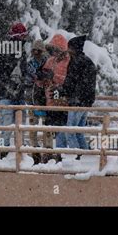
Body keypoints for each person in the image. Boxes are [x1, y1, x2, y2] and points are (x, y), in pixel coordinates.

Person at [0, 22, 28, 160]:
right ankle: (3, 152)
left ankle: (21, 152)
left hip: (19, 94)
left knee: (21, 124)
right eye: (22, 37)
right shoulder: (2, 51)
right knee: (6, 124)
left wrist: (24, 81)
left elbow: (24, 72)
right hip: (5, 94)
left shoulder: (23, 53)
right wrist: (10, 84)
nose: (24, 40)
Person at [59, 35, 97, 159]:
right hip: (87, 101)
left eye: (69, 48)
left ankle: (76, 156)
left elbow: (70, 81)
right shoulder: (88, 61)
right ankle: (86, 156)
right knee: (79, 131)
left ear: (74, 48)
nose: (68, 50)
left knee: (70, 130)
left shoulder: (75, 62)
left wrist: (62, 91)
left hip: (77, 101)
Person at [36, 34, 71, 164]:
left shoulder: (69, 61)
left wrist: (56, 79)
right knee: (49, 128)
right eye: (52, 49)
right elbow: (41, 81)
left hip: (63, 101)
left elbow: (70, 80)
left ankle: (62, 155)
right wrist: (41, 77)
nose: (54, 52)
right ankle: (48, 154)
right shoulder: (50, 61)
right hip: (49, 100)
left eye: (57, 49)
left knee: (62, 129)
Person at [26, 40, 48, 165]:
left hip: (45, 102)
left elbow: (50, 79)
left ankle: (47, 153)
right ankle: (35, 153)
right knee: (32, 129)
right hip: (32, 101)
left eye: (38, 50)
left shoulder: (48, 64)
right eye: (34, 50)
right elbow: (26, 80)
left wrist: (42, 79)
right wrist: (33, 80)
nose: (35, 53)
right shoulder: (29, 64)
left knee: (46, 129)